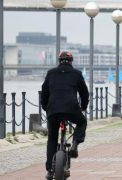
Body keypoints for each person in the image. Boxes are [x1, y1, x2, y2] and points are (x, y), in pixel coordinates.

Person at [41, 51, 89, 179]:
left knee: (52, 138)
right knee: (82, 122)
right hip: (71, 109)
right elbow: (84, 93)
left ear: (59, 61)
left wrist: (46, 108)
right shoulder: (77, 74)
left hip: (53, 110)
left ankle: (50, 171)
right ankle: (74, 143)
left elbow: (44, 93)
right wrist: (83, 107)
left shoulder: (51, 73)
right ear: (71, 61)